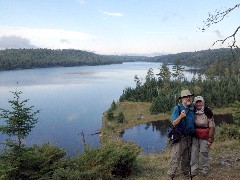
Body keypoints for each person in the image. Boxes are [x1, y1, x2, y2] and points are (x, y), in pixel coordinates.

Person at [167, 89, 195, 179]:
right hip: (180, 137)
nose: (188, 98)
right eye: (186, 97)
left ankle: (185, 172)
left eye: (189, 97)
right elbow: (174, 123)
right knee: (176, 157)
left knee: (187, 156)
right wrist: (181, 116)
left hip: (190, 136)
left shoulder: (192, 108)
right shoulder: (177, 108)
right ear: (182, 99)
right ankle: (170, 174)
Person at [191, 96, 215, 176]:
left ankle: (204, 170)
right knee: (194, 153)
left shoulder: (208, 111)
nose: (198, 104)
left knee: (203, 152)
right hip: (195, 135)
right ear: (195, 103)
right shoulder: (193, 111)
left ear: (203, 102)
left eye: (200, 102)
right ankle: (193, 170)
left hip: (205, 135)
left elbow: (212, 126)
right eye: (197, 102)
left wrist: (210, 139)